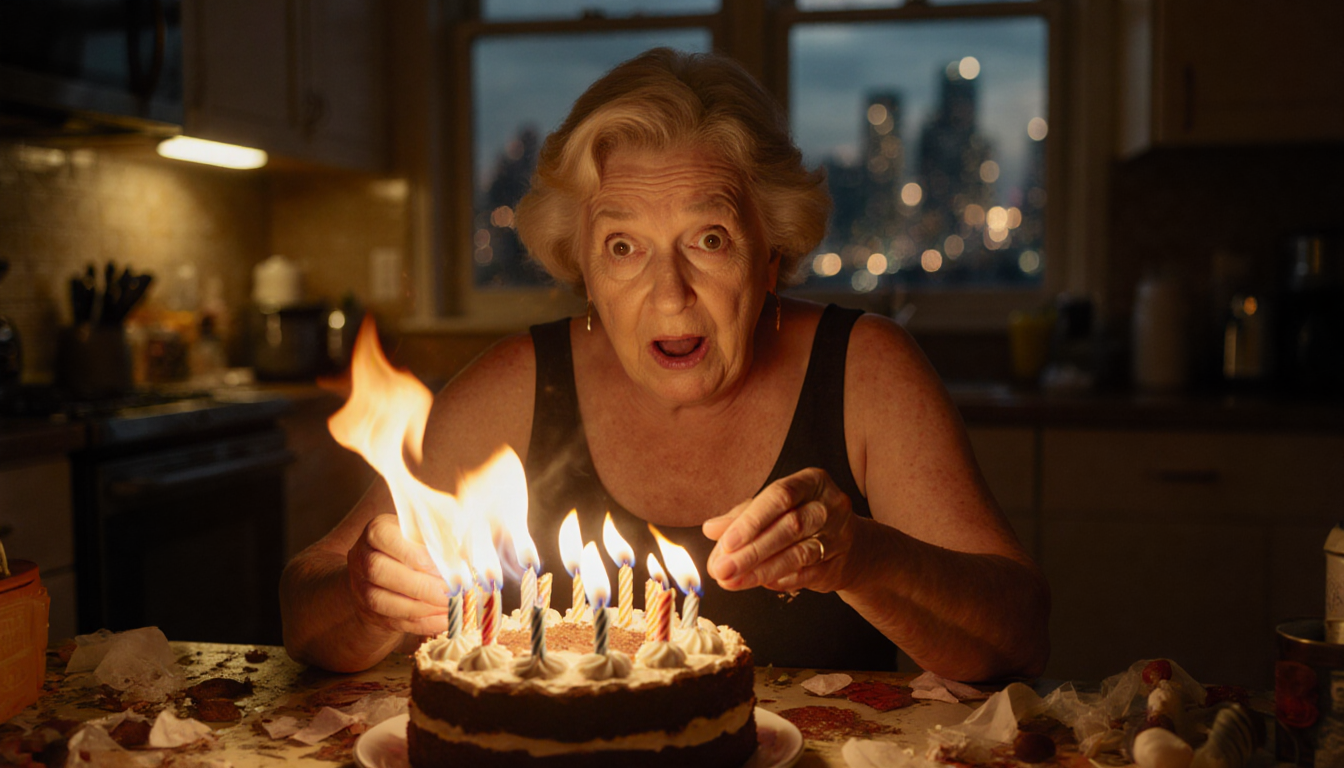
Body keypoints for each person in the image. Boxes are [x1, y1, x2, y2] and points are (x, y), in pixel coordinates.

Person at [280, 48, 1050, 680]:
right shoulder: (516, 386)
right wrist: (364, 599)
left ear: (771, 249)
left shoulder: (867, 371)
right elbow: (303, 610)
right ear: (581, 264)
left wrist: (863, 558)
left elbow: (1018, 636)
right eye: (624, 248)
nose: (670, 293)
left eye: (709, 239)